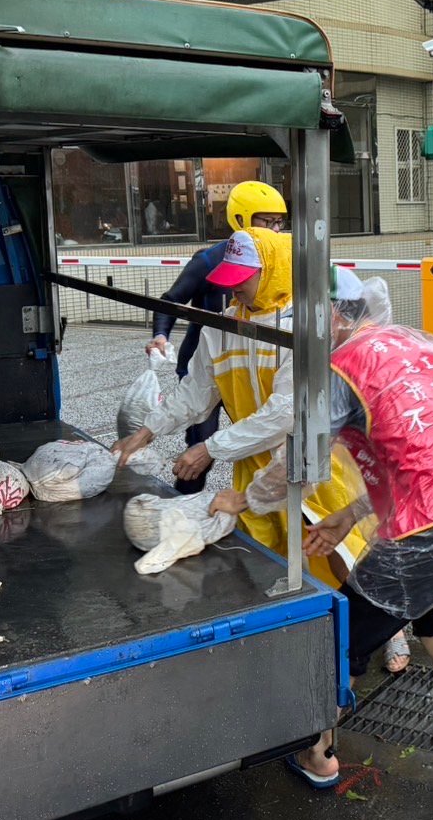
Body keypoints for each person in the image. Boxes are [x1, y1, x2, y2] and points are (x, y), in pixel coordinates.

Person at [218, 270, 433, 817]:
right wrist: (348, 514)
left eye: (310, 318)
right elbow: (423, 452)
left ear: (336, 315)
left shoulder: (343, 366)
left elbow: (302, 456)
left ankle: (319, 755)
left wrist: (246, 500)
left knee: (345, 641)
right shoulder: (414, 346)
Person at [112, 227, 368, 589]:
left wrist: (210, 448)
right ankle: (294, 629)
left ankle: (386, 638)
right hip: (252, 466)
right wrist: (145, 432)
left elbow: (286, 412)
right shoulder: (223, 326)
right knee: (266, 560)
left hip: (310, 464)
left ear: (274, 271)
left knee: (336, 553)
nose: (234, 288)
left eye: (243, 278)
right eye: (230, 278)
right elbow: (197, 390)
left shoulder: (304, 325)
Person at [148, 180, 288, 495]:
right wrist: (160, 334)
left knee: (261, 440)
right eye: (267, 221)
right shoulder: (209, 261)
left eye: (280, 221)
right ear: (241, 219)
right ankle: (185, 503)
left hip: (250, 368)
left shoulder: (280, 265)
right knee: (201, 444)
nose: (276, 229)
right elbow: (170, 300)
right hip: (210, 364)